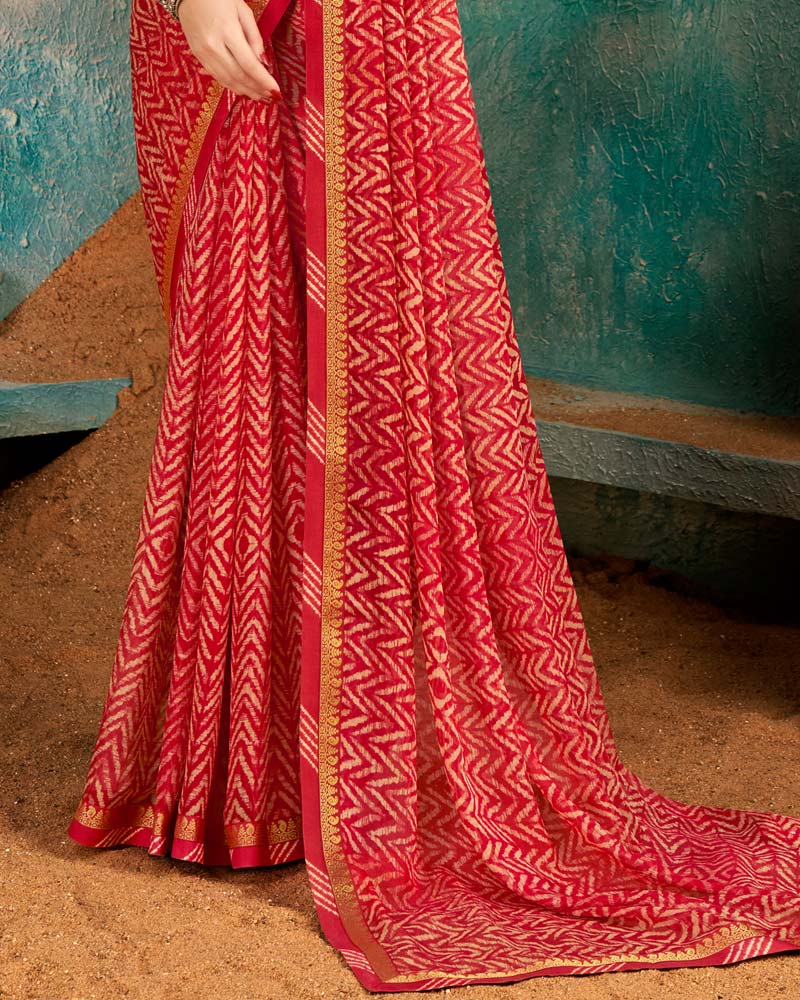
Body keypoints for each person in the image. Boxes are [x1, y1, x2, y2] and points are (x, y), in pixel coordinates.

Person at [66, 0, 800, 991]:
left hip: (382, 35)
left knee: (395, 380)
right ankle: (243, 775)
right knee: (251, 351)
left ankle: (373, 777)